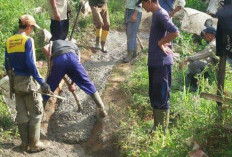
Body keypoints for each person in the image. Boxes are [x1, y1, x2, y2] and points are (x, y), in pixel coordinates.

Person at [4, 15, 51, 152]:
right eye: (32, 28)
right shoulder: (27, 41)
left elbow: (6, 64)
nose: (32, 31)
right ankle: (34, 144)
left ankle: (24, 144)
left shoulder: (9, 41)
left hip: (15, 83)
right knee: (37, 112)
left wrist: (13, 79)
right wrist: (42, 81)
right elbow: (31, 64)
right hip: (28, 82)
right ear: (28, 27)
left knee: (22, 114)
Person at [139, 0, 179, 133]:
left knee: (162, 95)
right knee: (155, 94)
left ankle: (162, 131)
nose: (142, 6)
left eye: (143, 3)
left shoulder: (161, 14)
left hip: (161, 63)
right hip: (156, 62)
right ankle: (157, 127)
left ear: (149, 1)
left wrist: (161, 43)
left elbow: (174, 32)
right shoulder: (157, 14)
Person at [42, 40, 107, 117]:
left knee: (49, 86)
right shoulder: (74, 45)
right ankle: (101, 108)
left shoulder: (53, 42)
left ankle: (40, 113)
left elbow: (44, 48)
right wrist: (72, 83)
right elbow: (77, 63)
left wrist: (52, 58)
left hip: (59, 59)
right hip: (72, 59)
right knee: (86, 82)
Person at [179, 27, 218, 91]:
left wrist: (187, 59)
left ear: (212, 36)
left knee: (194, 64)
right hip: (211, 66)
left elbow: (201, 55)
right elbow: (202, 54)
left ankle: (195, 87)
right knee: (194, 65)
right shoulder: (213, 43)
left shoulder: (213, 45)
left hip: (213, 69)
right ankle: (189, 85)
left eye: (206, 34)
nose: (204, 35)